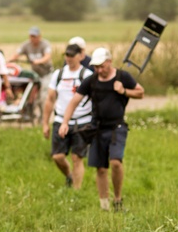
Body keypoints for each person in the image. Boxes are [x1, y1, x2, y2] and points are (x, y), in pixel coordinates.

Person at [59, 48, 144, 212]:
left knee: (115, 163)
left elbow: (140, 93)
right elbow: (74, 102)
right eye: (96, 67)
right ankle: (104, 206)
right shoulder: (91, 81)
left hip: (117, 127)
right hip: (97, 128)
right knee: (101, 168)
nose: (98, 70)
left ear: (109, 62)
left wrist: (124, 91)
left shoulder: (122, 77)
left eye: (101, 66)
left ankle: (118, 200)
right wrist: (64, 122)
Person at [42, 44, 93, 189]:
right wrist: (45, 123)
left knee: (77, 157)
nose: (69, 58)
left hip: (82, 121)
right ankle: (69, 176)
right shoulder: (58, 75)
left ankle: (76, 191)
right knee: (57, 156)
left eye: (72, 55)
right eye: (67, 55)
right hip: (60, 120)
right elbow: (50, 99)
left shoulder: (87, 75)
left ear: (80, 56)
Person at [8, 26, 53, 104]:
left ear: (39, 36)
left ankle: (43, 109)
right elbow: (17, 54)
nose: (33, 38)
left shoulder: (45, 44)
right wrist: (9, 61)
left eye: (35, 36)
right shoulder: (26, 45)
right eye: (31, 36)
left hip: (46, 73)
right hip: (35, 73)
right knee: (30, 90)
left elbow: (47, 56)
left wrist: (39, 61)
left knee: (44, 92)